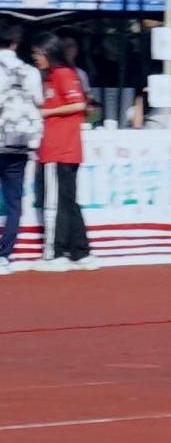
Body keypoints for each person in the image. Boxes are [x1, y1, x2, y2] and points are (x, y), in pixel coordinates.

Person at [30, 32, 97, 272]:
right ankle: (80, 252)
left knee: (55, 202)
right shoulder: (54, 76)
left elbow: (78, 104)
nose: (36, 58)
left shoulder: (62, 74)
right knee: (68, 201)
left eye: (38, 53)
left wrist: (46, 112)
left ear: (49, 52)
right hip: (64, 148)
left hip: (58, 148)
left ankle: (55, 253)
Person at [0, 20, 43, 275]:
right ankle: (4, 255)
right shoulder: (30, 72)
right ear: (16, 43)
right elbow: (39, 101)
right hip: (18, 143)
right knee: (14, 202)